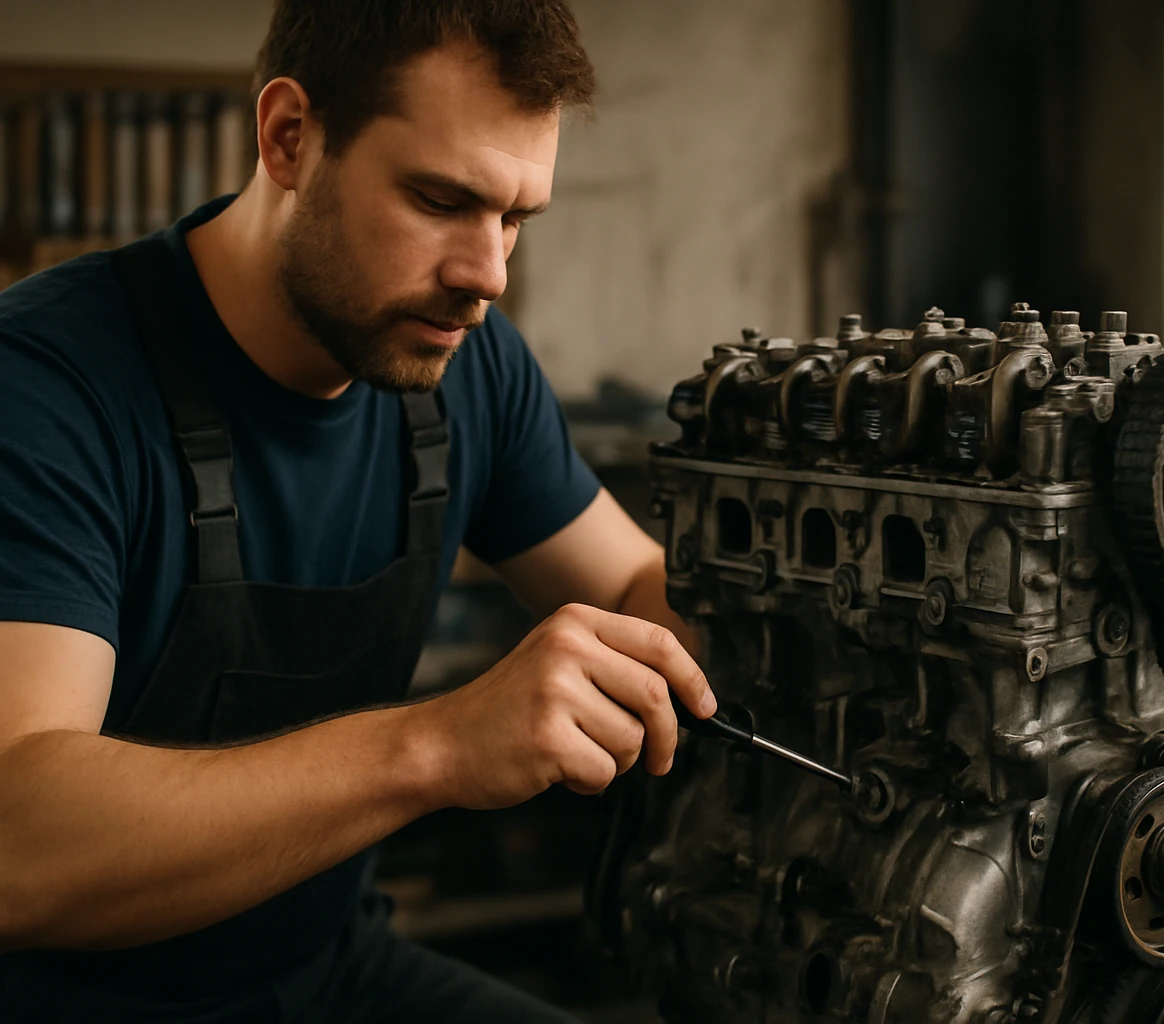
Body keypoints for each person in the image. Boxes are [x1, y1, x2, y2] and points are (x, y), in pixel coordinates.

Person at [0, 1, 714, 1020]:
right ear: (290, 137)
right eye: (441, 199)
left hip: (329, 971)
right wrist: (440, 746)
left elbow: (633, 585)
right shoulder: (46, 385)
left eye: (515, 217)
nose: (487, 276)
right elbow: (19, 846)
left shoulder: (468, 365)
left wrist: (782, 625)